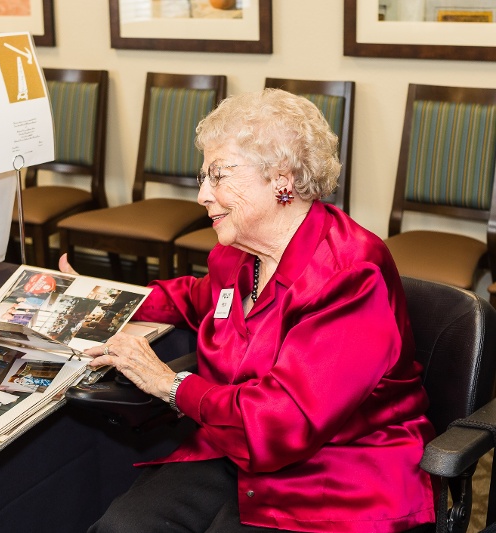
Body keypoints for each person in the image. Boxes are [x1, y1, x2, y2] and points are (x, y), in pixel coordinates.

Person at [60, 89, 435, 532]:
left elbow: (284, 421)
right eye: (204, 176)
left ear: (281, 178)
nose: (202, 195)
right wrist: (102, 299)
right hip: (236, 450)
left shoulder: (350, 274)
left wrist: (171, 385)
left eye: (218, 175)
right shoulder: (238, 254)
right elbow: (194, 298)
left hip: (338, 474)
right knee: (121, 527)